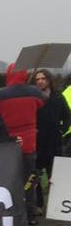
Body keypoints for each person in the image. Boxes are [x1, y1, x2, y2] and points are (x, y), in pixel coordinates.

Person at [0, 63, 45, 225]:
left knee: (9, 179)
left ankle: (10, 213)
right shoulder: (34, 92)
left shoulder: (0, 94)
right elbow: (43, 103)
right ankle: (30, 214)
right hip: (30, 143)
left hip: (9, 144)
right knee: (29, 180)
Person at [32, 70, 70, 215]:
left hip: (54, 142)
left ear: (49, 80)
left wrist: (62, 130)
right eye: (37, 79)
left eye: (43, 78)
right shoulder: (34, 98)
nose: (40, 81)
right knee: (36, 177)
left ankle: (59, 207)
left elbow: (67, 116)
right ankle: (39, 205)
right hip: (38, 142)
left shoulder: (58, 96)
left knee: (55, 176)